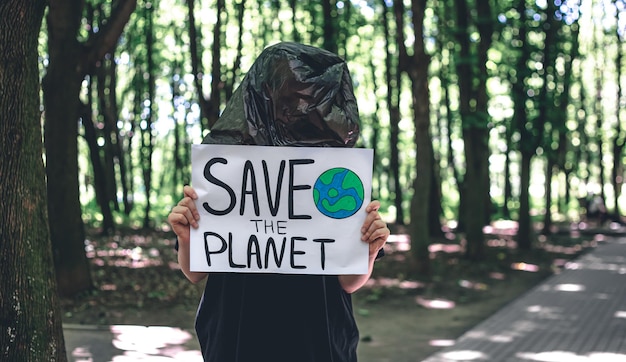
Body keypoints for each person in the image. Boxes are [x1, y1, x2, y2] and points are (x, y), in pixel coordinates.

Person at [168, 42, 389, 362]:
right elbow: (195, 272)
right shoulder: (228, 171)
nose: (295, 108)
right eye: (287, 94)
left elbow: (349, 282)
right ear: (263, 92)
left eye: (306, 98)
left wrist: (368, 251)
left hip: (319, 345)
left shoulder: (339, 180)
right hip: (237, 342)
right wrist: (186, 237)